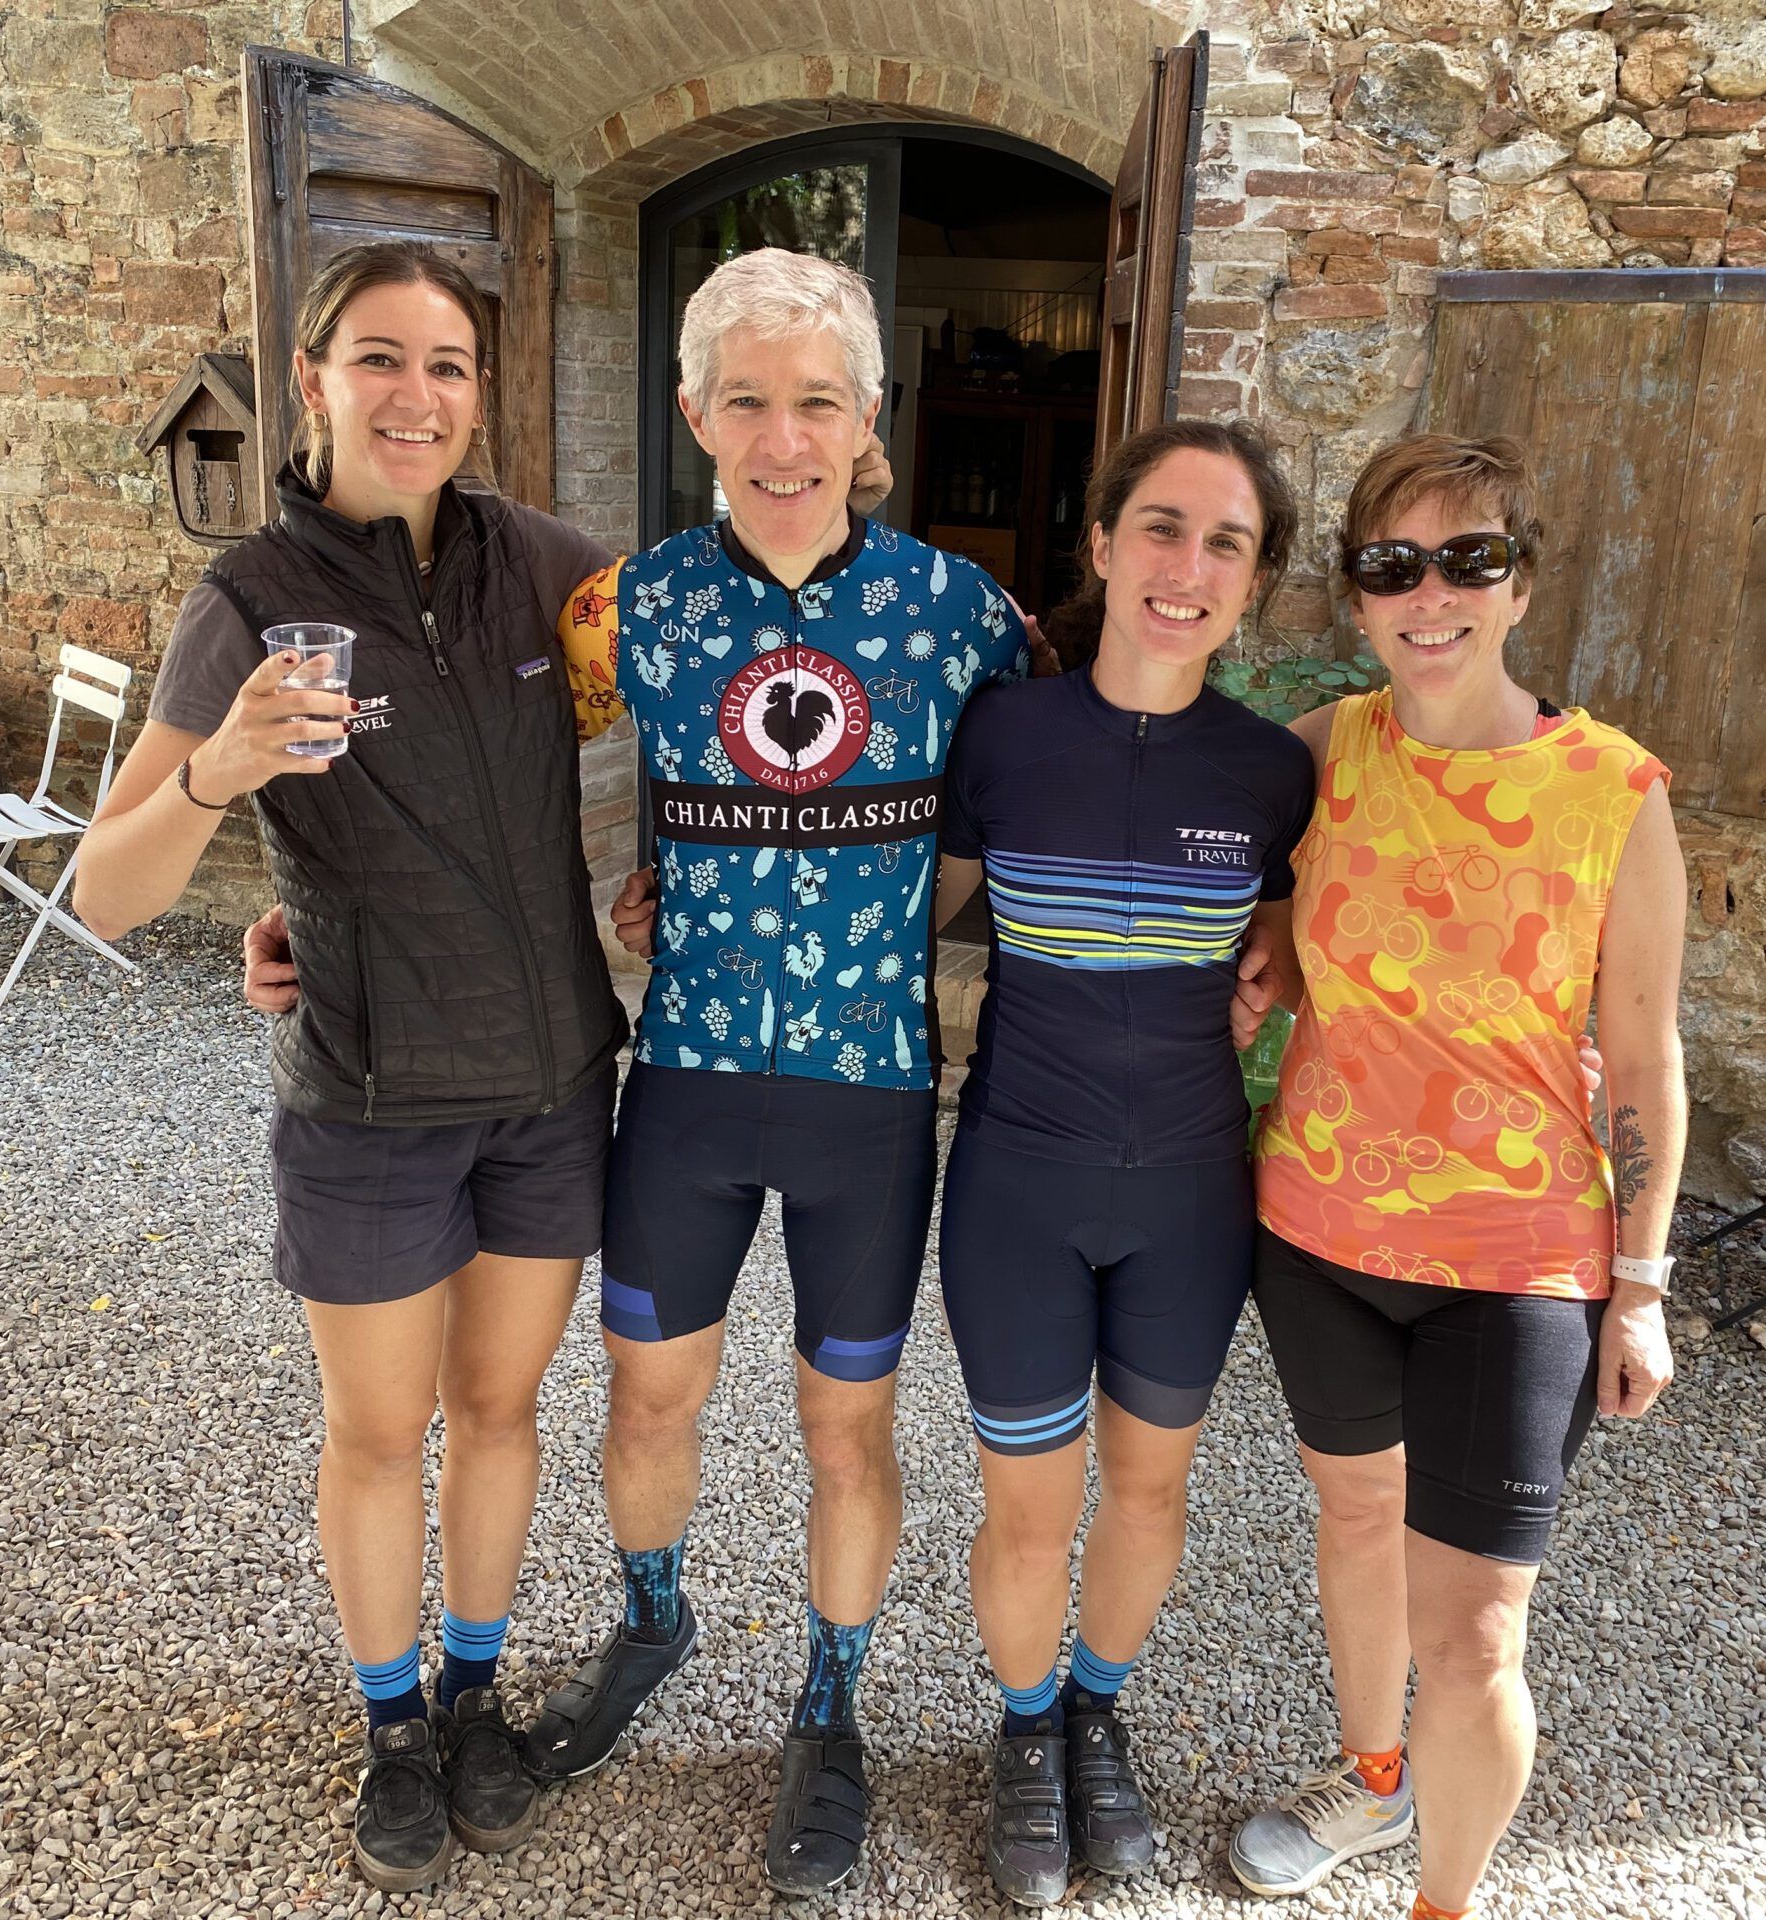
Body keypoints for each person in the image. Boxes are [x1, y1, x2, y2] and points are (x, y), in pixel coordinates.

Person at [73, 241, 629, 1891]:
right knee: (381, 1436)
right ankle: (392, 1721)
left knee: (502, 1407)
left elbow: (711, 675)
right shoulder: (246, 602)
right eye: (380, 358)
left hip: (547, 1085)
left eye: (448, 365)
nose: (417, 394)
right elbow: (102, 892)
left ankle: (475, 1688)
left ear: (479, 394)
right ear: (312, 376)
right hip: (373, 1104)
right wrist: (219, 777)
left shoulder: (546, 567)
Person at [544, 247, 1028, 1895]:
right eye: (745, 398)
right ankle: (653, 1619)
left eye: (815, 399)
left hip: (869, 1093)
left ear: (867, 416)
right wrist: (319, 905)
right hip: (681, 1076)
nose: (782, 433)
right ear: (693, 413)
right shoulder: (633, 607)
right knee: (648, 1391)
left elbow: (1038, 801)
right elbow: (492, 761)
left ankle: (832, 1704)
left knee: (847, 1430)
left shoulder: (963, 616)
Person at [1224, 434, 1686, 1920]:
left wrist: (1643, 1285)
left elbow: (1649, 1051)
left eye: (1468, 561)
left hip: (1520, 1262)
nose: (1430, 595)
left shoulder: (1615, 792)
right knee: (1353, 1522)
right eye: (1391, 565)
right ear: (1356, 597)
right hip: (1318, 1233)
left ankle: (1447, 1900)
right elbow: (1255, 909)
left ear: (1520, 583)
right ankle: (1371, 1783)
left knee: (1479, 1632)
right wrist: (1272, 953)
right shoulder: (1317, 754)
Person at [923, 419, 1313, 1904]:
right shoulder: (1007, 736)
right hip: (1019, 1181)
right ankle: (1023, 1733)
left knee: (1149, 1494)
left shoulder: (1276, 776)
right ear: (1100, 544)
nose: (1186, 566)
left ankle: (1097, 1710)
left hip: (1190, 1199)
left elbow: (1334, 931)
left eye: (1226, 542)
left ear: (1255, 581)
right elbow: (894, 911)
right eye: (1161, 527)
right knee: (1028, 1502)